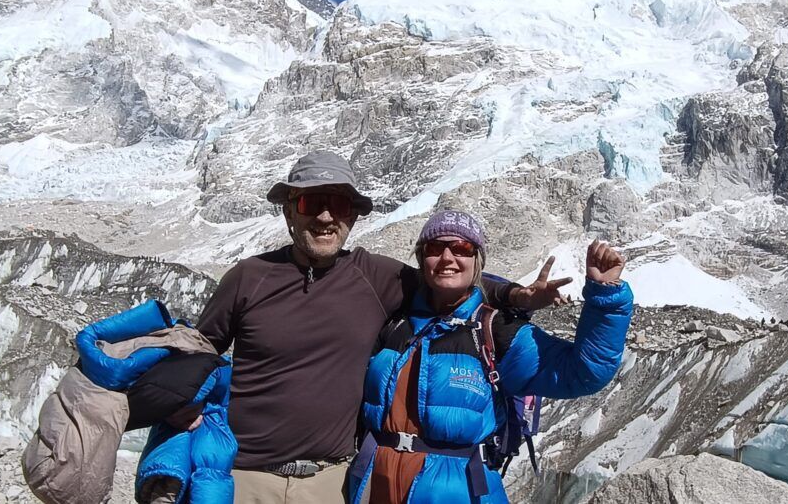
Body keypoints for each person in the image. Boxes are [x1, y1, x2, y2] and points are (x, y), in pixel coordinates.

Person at [194, 151, 570, 504]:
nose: (325, 217)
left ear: (352, 217)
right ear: (289, 211)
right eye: (311, 203)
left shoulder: (376, 277)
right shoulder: (247, 278)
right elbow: (198, 353)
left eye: (338, 205)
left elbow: (450, 275)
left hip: (331, 483)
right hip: (243, 477)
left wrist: (515, 295)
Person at [349, 210, 634, 503]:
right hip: (374, 487)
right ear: (422, 260)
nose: (447, 258)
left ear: (477, 261)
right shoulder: (395, 324)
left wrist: (605, 296)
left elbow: (584, 372)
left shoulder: (495, 330)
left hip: (462, 493)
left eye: (461, 248)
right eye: (435, 248)